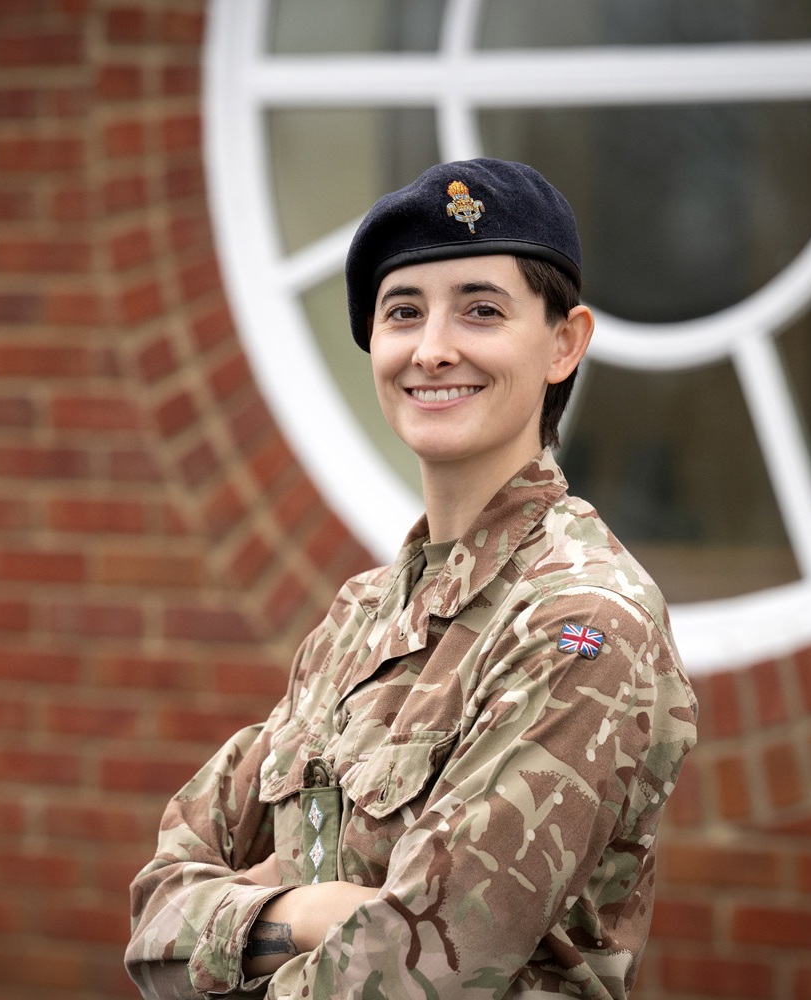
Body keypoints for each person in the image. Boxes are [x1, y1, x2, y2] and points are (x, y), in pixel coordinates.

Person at [126, 158, 698, 999]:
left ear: (563, 343)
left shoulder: (581, 621)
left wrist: (247, 917)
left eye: (481, 310)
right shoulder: (361, 617)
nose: (433, 349)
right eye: (403, 314)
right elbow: (153, 922)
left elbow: (412, 970)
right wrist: (316, 911)